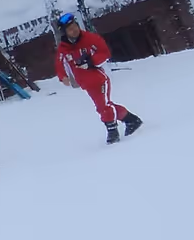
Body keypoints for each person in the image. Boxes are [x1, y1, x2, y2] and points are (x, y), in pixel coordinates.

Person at [54, 11, 144, 144]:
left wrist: (90, 62)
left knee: (104, 106)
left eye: (75, 27)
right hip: (85, 83)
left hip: (99, 79)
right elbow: (60, 62)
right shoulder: (64, 48)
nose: (74, 30)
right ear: (65, 33)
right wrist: (63, 77)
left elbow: (105, 52)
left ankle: (112, 131)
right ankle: (131, 120)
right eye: (70, 29)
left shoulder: (90, 38)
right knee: (103, 106)